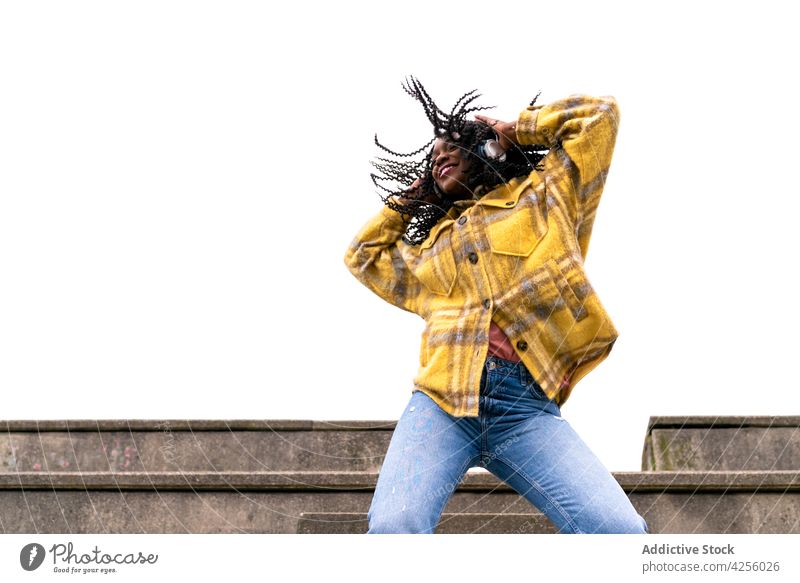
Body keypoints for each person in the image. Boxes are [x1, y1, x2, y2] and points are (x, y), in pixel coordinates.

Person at [343, 77, 648, 534]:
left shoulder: (547, 197)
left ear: (482, 148)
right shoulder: (430, 250)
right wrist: (411, 198)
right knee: (394, 527)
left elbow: (601, 116)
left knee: (619, 531)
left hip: (525, 409)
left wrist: (515, 128)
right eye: (431, 159)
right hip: (443, 403)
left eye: (451, 146)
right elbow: (363, 255)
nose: (438, 156)